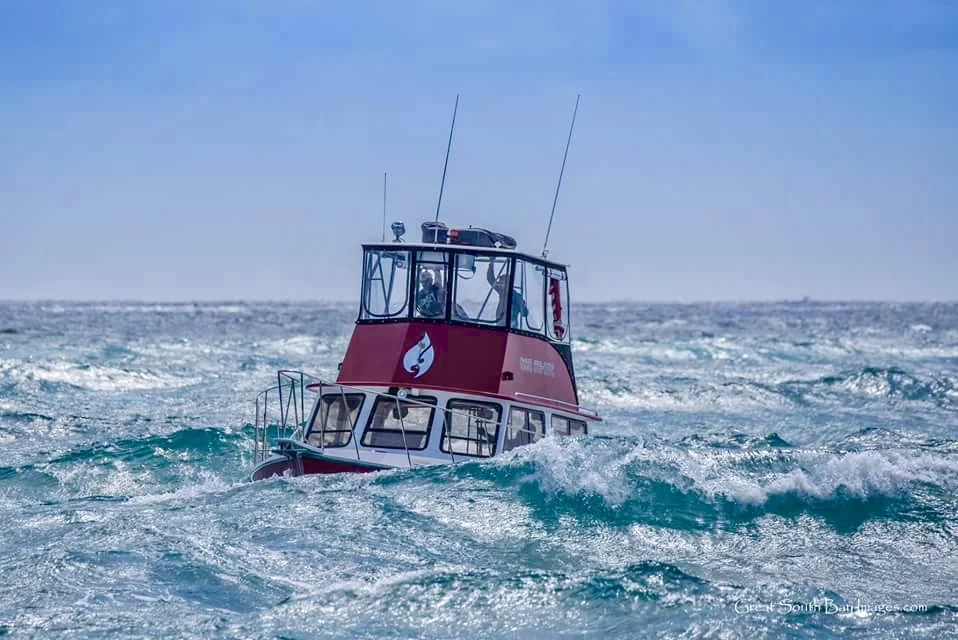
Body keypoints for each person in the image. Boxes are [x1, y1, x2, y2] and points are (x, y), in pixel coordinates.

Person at [487, 260, 528, 326]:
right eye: (500, 283)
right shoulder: (502, 292)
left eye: (502, 282)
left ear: (508, 284)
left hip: (511, 327)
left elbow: (524, 313)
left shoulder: (517, 297)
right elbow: (491, 279)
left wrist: (522, 306)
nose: (499, 284)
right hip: (499, 325)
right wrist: (491, 264)